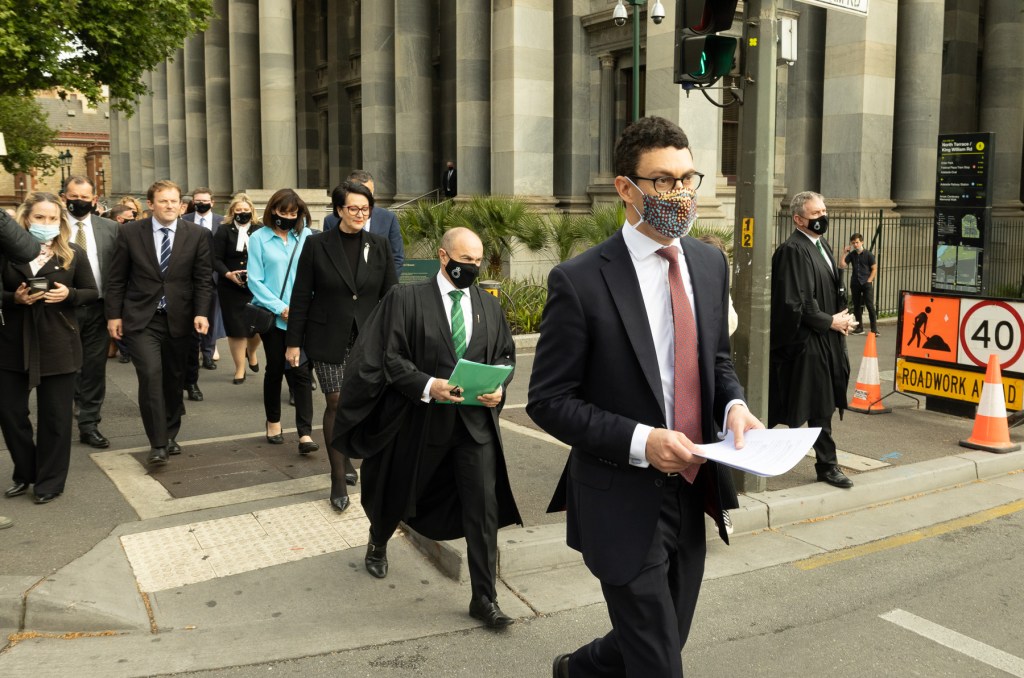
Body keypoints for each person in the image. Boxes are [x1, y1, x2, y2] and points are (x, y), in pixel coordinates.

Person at [527, 116, 763, 678]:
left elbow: (717, 362)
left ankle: (577, 671)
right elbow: (549, 398)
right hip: (619, 496)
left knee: (663, 640)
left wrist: (734, 406)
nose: (679, 193)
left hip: (692, 488)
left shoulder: (708, 264)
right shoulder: (579, 280)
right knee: (660, 665)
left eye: (687, 178)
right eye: (662, 180)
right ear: (626, 189)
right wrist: (642, 441)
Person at [333, 227, 521, 629]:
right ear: (442, 255)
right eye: (465, 260)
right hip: (418, 423)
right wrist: (428, 385)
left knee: (482, 509)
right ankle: (379, 539)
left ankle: (484, 598)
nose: (472, 267)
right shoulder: (407, 299)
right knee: (394, 490)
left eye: (477, 260)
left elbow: (505, 353)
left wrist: (498, 388)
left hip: (474, 427)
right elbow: (388, 356)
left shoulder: (488, 306)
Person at [287, 181, 398, 512]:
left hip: (368, 337)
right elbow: (301, 295)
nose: (360, 214)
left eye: (366, 209)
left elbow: (391, 294)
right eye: (353, 208)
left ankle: (348, 452)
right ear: (339, 210)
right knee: (336, 400)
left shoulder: (378, 245)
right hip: (328, 336)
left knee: (362, 401)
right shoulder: (317, 245)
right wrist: (293, 342)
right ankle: (338, 476)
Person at [105, 180, 213, 466]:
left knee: (173, 379)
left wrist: (201, 313)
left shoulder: (198, 235)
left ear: (182, 205)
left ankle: (170, 430)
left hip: (180, 319)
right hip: (142, 319)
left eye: (174, 201)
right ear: (151, 204)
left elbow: (203, 279)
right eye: (163, 201)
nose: (169, 206)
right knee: (151, 375)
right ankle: (158, 443)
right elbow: (116, 278)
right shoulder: (130, 233)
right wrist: (113, 315)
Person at [0, 192, 98, 504]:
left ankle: (50, 482)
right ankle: (26, 471)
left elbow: (92, 292)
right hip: (13, 344)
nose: (46, 223)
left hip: (59, 343)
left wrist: (68, 295)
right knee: (10, 413)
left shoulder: (72, 253)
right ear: (25, 219)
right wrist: (13, 299)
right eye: (39, 218)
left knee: (56, 417)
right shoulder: (7, 253)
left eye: (52, 218)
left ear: (61, 221)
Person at [769, 190, 856, 489]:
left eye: (824, 211)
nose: (823, 217)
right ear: (798, 219)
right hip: (807, 341)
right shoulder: (793, 250)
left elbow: (828, 290)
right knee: (814, 403)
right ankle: (827, 465)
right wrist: (830, 321)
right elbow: (797, 302)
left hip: (828, 336)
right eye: (816, 214)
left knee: (818, 399)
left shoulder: (823, 245)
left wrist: (841, 319)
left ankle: (823, 463)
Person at [246, 188, 317, 452]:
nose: (288, 216)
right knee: (276, 368)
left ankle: (305, 434)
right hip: (272, 316)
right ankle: (273, 420)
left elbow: (313, 275)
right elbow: (255, 280)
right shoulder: (259, 238)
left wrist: (304, 308)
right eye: (282, 211)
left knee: (300, 371)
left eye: (293, 212)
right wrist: (280, 308)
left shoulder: (306, 236)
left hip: (302, 316)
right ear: (272, 210)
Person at [62, 176, 119, 449]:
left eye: (85, 198)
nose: (79, 202)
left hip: (98, 307)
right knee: (67, 366)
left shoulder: (110, 228)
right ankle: (69, 409)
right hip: (62, 308)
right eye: (74, 196)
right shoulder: (55, 227)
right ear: (64, 197)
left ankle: (89, 424)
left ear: (94, 200)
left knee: (95, 368)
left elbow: (119, 270)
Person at [212, 193, 263, 384]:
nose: (242, 213)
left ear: (252, 211)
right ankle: (240, 368)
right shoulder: (224, 231)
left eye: (245, 210)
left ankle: (252, 351)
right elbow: (215, 258)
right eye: (238, 210)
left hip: (256, 287)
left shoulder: (261, 230)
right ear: (232, 212)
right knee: (236, 329)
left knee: (258, 326)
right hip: (230, 287)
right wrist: (228, 274)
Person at [323, 170, 404, 277]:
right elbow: (327, 260)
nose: (364, 197)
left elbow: (397, 258)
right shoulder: (331, 221)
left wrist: (383, 285)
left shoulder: (388, 218)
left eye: (368, 193)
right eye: (359, 192)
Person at [182, 187, 226, 381]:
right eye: (197, 200)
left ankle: (208, 354)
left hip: (214, 276)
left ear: (212, 202)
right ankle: (194, 351)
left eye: (205, 200)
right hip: (191, 277)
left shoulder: (222, 222)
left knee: (211, 317)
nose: (201, 203)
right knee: (194, 315)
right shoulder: (184, 220)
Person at [839, 232, 879, 335]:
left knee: (870, 306)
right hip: (855, 283)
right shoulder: (852, 255)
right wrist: (844, 253)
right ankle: (859, 328)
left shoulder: (869, 254)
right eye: (853, 243)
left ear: (862, 242)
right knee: (856, 306)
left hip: (866, 283)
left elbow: (874, 269)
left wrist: (869, 280)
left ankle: (874, 330)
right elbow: (842, 265)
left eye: (857, 242)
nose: (855, 245)